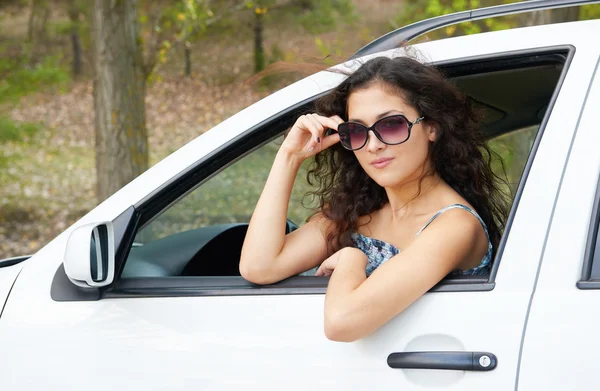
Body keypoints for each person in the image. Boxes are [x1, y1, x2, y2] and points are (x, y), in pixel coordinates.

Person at [239, 55, 509, 342]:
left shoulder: (455, 226)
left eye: (391, 125)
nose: (373, 145)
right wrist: (290, 157)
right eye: (356, 131)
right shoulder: (359, 210)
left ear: (432, 127)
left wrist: (351, 260)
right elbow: (259, 266)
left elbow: (342, 323)